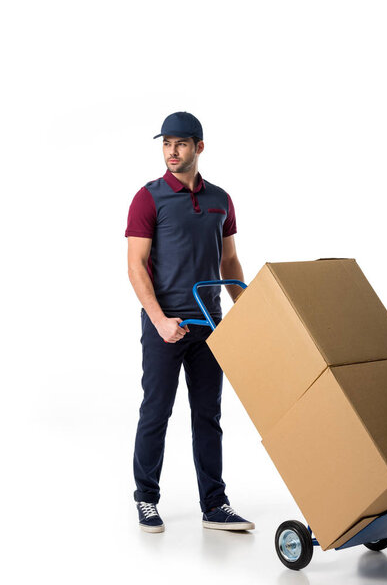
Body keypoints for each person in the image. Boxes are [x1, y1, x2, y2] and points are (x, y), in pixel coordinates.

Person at [125, 111, 255, 533]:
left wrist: (252, 313)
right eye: (166, 144)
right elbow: (136, 266)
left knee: (208, 415)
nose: (172, 152)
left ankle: (215, 505)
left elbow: (229, 259)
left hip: (210, 325)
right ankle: (146, 498)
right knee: (156, 412)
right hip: (165, 324)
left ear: (199, 147)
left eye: (181, 144)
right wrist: (160, 320)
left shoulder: (221, 199)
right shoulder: (148, 197)